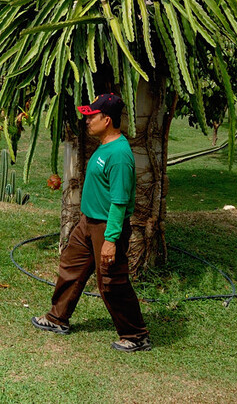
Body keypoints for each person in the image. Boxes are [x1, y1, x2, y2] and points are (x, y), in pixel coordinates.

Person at [31, 93, 152, 352]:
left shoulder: (119, 155)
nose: (87, 120)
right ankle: (57, 318)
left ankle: (135, 335)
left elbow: (119, 202)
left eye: (91, 116)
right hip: (88, 222)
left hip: (107, 226)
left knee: (111, 281)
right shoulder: (105, 145)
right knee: (71, 266)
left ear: (106, 120)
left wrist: (110, 241)